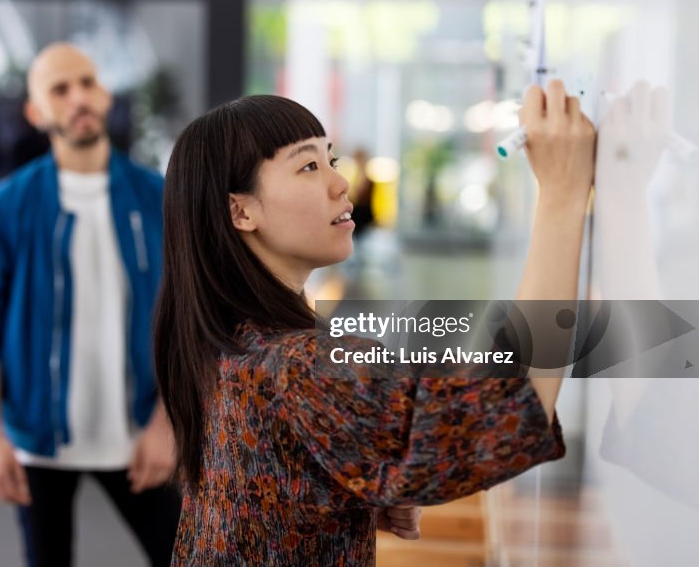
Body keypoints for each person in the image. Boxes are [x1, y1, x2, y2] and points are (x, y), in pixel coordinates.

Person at [153, 83, 596, 565]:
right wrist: (562, 196)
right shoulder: (302, 367)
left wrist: (346, 479)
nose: (341, 184)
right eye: (307, 166)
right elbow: (518, 397)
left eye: (331, 160)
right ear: (241, 210)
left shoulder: (226, 337)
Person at [0, 43, 181, 567]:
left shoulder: (159, 196)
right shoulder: (5, 207)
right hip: (38, 440)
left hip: (139, 434)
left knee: (187, 557)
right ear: (36, 113)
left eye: (87, 82)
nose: (78, 97)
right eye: (60, 89)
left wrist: (167, 424)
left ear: (105, 94)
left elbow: (187, 325)